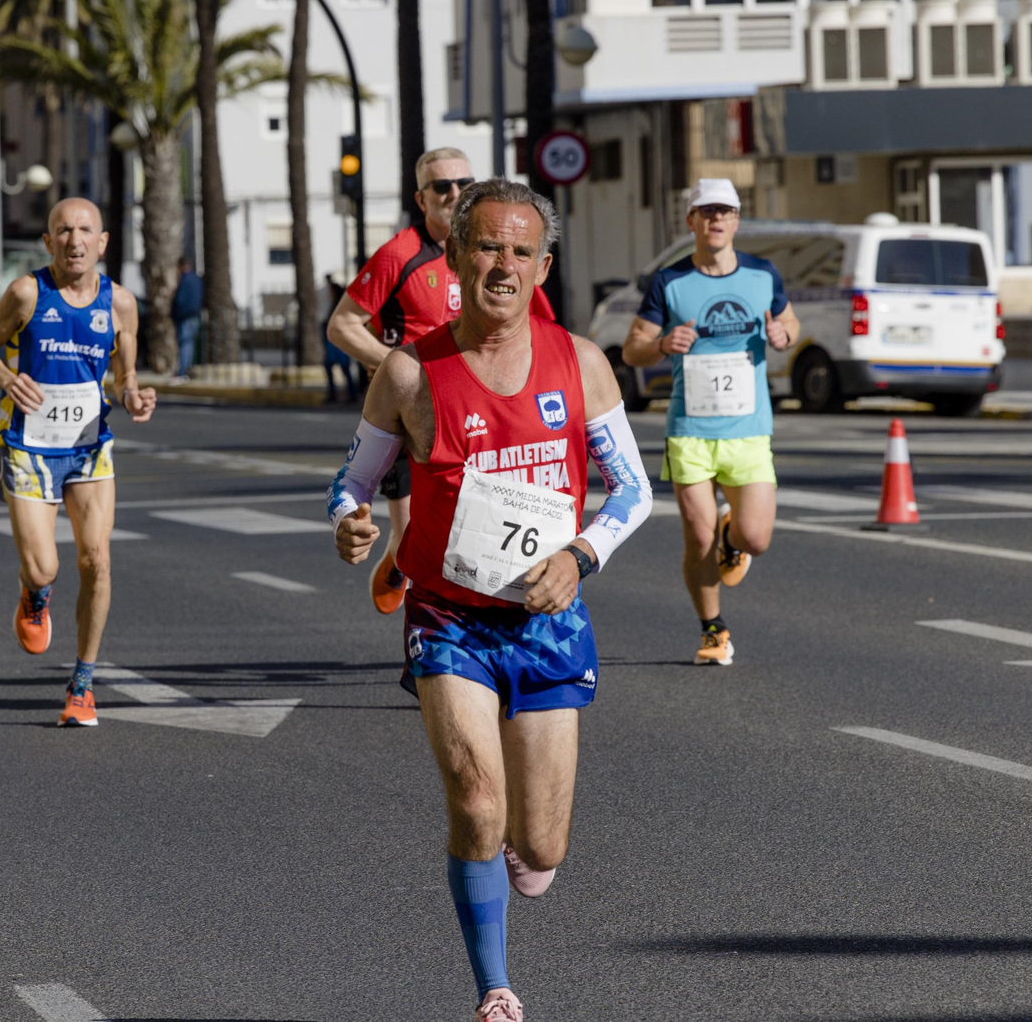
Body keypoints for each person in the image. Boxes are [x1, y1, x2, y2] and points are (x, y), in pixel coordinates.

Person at [327, 178, 652, 1021]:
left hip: (548, 617)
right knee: (476, 798)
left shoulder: (579, 362)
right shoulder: (407, 371)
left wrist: (581, 556)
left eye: (520, 250)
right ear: (453, 255)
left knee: (540, 847)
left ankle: (518, 853)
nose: (501, 265)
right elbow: (353, 480)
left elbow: (633, 493)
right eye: (485, 246)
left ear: (542, 266)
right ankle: (496, 987)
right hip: (449, 618)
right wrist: (351, 521)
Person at [328, 147, 557, 617]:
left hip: (479, 406)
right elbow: (342, 326)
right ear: (422, 198)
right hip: (416, 411)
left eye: (463, 184)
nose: (454, 193)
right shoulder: (400, 254)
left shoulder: (499, 255)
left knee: (473, 520)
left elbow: (539, 325)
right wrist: (396, 367)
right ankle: (424, 615)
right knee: (420, 530)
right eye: (441, 187)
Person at [0, 197, 158, 728]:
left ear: (102, 242)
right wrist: (10, 379)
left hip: (89, 445)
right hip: (28, 445)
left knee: (96, 560)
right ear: (48, 242)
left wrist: (134, 396)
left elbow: (125, 375)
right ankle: (35, 596)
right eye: (63, 230)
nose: (74, 240)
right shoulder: (27, 293)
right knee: (44, 566)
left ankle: (82, 685)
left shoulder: (121, 304)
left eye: (85, 230)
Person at [621, 178, 799, 666]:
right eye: (706, 211)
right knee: (695, 537)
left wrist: (783, 333)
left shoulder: (763, 274)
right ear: (692, 222)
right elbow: (631, 349)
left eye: (725, 211)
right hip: (690, 431)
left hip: (749, 430)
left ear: (737, 220)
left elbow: (790, 321)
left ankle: (731, 537)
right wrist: (660, 345)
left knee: (755, 540)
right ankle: (713, 629)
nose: (716, 219)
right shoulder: (671, 281)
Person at [321, 276, 357, 404]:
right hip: (335, 343)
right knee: (337, 368)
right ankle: (342, 394)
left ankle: (345, 394)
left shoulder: (338, 306)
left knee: (342, 368)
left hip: (338, 343)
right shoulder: (334, 305)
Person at [171, 256, 203, 380]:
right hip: (195, 315)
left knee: (185, 344)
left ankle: (182, 372)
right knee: (189, 344)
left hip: (185, 317)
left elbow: (180, 300)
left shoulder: (185, 280)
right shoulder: (196, 279)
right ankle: (186, 370)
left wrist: (175, 314)